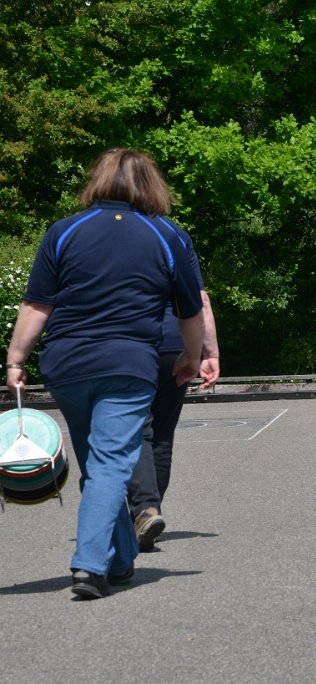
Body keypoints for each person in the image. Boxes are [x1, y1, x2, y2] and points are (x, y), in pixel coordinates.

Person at [5, 148, 204, 599]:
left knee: (99, 465)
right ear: (151, 185)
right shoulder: (166, 235)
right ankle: (89, 566)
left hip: (66, 365)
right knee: (111, 464)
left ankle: (119, 559)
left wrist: (16, 360)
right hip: (127, 365)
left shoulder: (64, 231)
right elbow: (190, 310)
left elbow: (37, 304)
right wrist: (191, 356)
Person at [128, 279, 221, 552]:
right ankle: (151, 511)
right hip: (174, 345)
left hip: (132, 346)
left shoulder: (107, 238)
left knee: (135, 432)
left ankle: (142, 512)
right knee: (162, 435)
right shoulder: (176, 240)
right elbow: (201, 300)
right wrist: (209, 352)